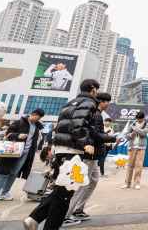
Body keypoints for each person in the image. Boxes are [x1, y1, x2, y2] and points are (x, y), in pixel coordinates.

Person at [23, 78, 99, 230]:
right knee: (65, 194)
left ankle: (34, 218)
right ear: (93, 89)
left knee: (62, 188)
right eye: (97, 88)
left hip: (61, 149)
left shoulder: (70, 103)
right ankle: (50, 227)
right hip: (73, 151)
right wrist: (86, 143)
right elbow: (79, 124)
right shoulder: (89, 103)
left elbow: (62, 126)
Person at [63, 93, 121, 226]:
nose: (109, 104)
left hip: (94, 155)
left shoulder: (97, 114)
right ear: (101, 101)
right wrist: (113, 139)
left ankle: (78, 209)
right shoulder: (97, 114)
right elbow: (95, 135)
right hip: (90, 154)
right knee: (82, 183)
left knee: (93, 179)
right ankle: (65, 215)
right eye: (108, 102)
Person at [0, 108, 45, 204]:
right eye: (38, 118)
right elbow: (8, 134)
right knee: (4, 172)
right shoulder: (19, 122)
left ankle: (5, 192)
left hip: (26, 153)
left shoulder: (37, 127)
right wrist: (19, 136)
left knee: (15, 172)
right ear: (33, 114)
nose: (38, 120)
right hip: (13, 151)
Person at [122, 111, 148, 190]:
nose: (138, 120)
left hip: (141, 148)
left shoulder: (146, 125)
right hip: (131, 147)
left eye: (140, 119)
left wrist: (134, 129)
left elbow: (144, 133)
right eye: (137, 119)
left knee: (139, 166)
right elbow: (126, 136)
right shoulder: (131, 125)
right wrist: (131, 134)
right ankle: (127, 183)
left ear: (143, 118)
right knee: (130, 166)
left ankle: (137, 183)